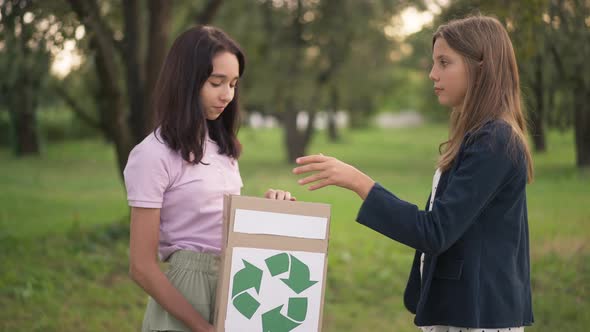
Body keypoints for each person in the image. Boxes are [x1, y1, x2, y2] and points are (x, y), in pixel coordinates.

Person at [293, 15, 534, 331]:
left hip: (477, 317)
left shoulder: (494, 140)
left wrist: (357, 181)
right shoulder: (478, 136)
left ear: (481, 65)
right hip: (460, 311)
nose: (432, 74)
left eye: (444, 62)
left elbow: (435, 232)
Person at [123, 26, 291, 332]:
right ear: (187, 81)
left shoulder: (223, 149)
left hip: (234, 281)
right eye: (217, 82)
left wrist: (269, 211)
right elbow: (141, 267)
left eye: (234, 84)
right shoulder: (152, 155)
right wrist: (201, 326)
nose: (227, 95)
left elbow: (219, 223)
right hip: (186, 289)